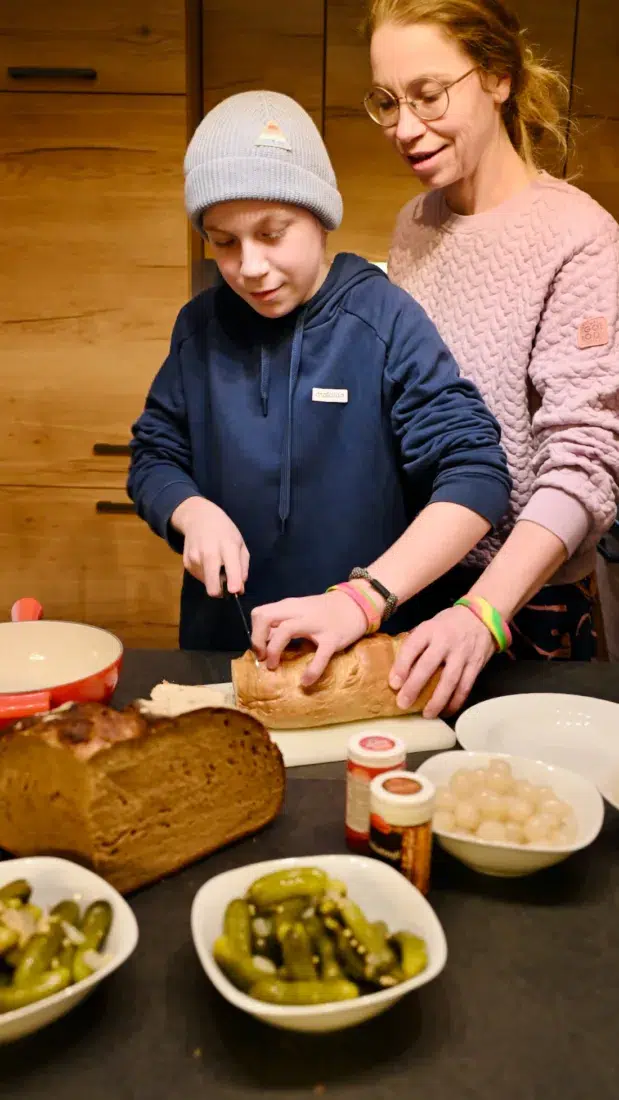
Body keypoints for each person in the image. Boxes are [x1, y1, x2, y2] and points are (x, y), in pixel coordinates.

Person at [257, 0, 619, 712]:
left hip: (522, 599)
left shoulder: (580, 238)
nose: (405, 128)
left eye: (427, 95)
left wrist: (483, 611)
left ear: (496, 77)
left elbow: (585, 459)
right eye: (387, 103)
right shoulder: (413, 226)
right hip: (416, 579)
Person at [128, 89, 511, 670]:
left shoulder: (382, 318)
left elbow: (476, 472)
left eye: (272, 232)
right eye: (223, 242)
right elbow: (154, 456)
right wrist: (189, 509)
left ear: (320, 216)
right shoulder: (198, 327)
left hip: (364, 655)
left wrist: (367, 597)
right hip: (225, 649)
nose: (249, 267)